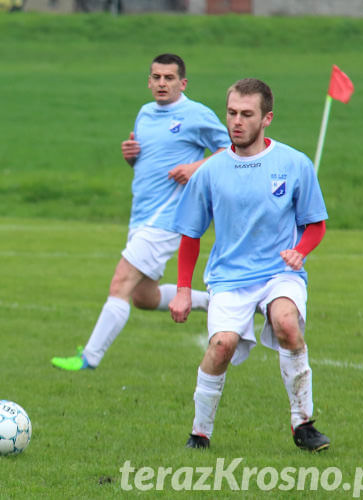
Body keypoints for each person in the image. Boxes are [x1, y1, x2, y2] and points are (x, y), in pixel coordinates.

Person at [169, 78, 330, 452]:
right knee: (222, 345)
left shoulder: (293, 163)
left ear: (266, 118)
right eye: (231, 113)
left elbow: (316, 224)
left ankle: (303, 425)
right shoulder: (209, 171)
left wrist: (300, 251)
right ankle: (200, 433)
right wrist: (181, 289)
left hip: (280, 273)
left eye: (246, 114)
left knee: (286, 323)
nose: (236, 122)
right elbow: (191, 235)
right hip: (228, 278)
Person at [51, 53, 229, 371]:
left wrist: (195, 167)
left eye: (169, 78)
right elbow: (148, 161)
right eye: (156, 77)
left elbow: (230, 150)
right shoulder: (145, 114)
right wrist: (131, 156)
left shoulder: (195, 114)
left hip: (169, 218)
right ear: (149, 82)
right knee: (142, 297)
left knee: (120, 282)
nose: (162, 83)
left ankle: (88, 358)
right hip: (141, 216)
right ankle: (215, 302)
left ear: (182, 83)